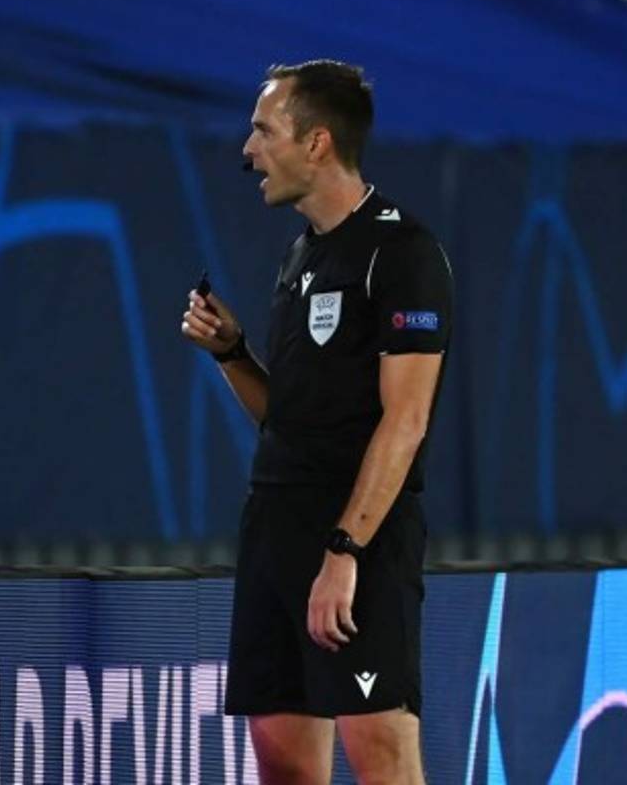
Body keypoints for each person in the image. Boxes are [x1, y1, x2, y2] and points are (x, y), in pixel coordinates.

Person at [181, 60, 452, 783]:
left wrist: (345, 553)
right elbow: (291, 422)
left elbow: (407, 419)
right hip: (274, 531)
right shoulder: (300, 258)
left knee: (382, 755)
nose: (247, 151)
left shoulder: (402, 255)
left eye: (263, 131)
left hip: (355, 542)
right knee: (284, 766)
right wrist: (233, 354)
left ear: (318, 143)